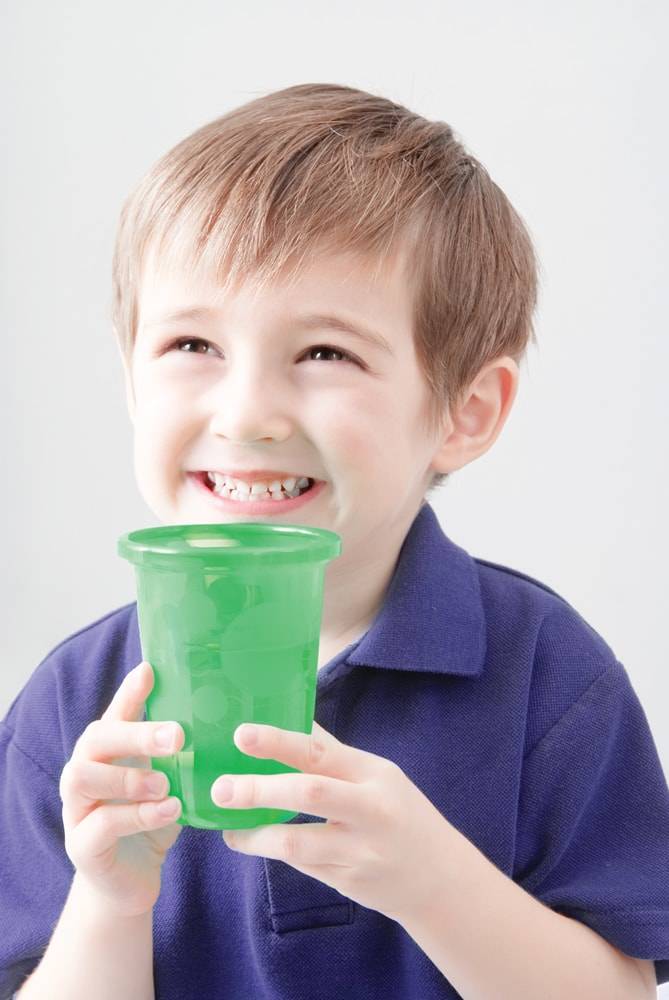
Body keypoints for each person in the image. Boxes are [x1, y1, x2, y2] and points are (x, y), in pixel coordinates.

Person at [1, 83, 667, 1000]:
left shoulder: (547, 677)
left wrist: (432, 884)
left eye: (324, 354)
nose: (247, 414)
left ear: (463, 414)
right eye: (193, 344)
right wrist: (108, 904)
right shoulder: (77, 707)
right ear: (129, 381)